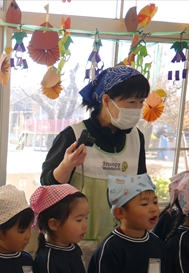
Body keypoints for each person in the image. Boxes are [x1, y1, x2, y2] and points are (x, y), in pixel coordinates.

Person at [40, 65, 150, 248]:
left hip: (120, 241)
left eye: (141, 102)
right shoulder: (72, 135)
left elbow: (140, 190)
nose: (137, 109)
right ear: (106, 100)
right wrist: (67, 165)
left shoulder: (136, 138)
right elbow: (47, 186)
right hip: (75, 243)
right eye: (131, 102)